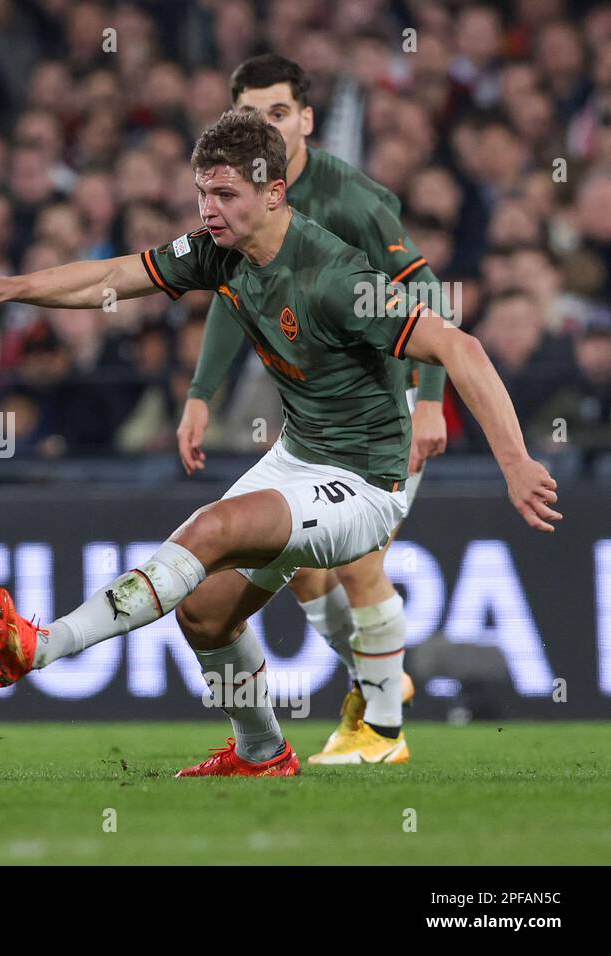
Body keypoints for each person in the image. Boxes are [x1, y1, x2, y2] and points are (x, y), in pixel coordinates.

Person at [0, 109, 559, 777]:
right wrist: (3, 289)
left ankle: (43, 646)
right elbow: (112, 278)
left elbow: (462, 346)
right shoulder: (219, 249)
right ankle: (262, 751)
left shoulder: (335, 278)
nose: (209, 208)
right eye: (203, 193)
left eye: (226, 195)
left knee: (214, 527)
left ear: (274, 194)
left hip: (367, 483)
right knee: (202, 614)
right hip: (298, 458)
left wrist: (514, 462)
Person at [177, 54, 450, 764]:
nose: (263, 124)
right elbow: (233, 300)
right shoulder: (241, 205)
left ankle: (382, 729)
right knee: (302, 566)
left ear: (304, 119)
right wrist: (203, 393)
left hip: (379, 414)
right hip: (311, 424)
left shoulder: (350, 198)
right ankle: (376, 678)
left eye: (276, 111)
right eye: (248, 113)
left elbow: (430, 293)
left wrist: (430, 402)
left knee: (358, 563)